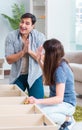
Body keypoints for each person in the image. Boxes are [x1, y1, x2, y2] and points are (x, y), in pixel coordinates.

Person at [25, 39, 76, 130]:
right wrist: (38, 59)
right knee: (35, 110)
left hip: (67, 104)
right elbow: (47, 72)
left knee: (43, 114)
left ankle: (67, 120)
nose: (42, 54)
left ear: (50, 56)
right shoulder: (57, 64)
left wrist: (38, 100)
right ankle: (61, 121)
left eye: (44, 52)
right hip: (58, 103)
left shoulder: (60, 70)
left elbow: (59, 99)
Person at [5, 13, 46, 98]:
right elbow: (9, 60)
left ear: (33, 26)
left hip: (35, 75)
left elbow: (43, 58)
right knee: (12, 101)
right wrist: (23, 52)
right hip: (18, 75)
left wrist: (30, 52)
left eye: (27, 23)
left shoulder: (40, 37)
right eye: (22, 22)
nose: (23, 25)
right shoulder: (11, 36)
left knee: (38, 103)